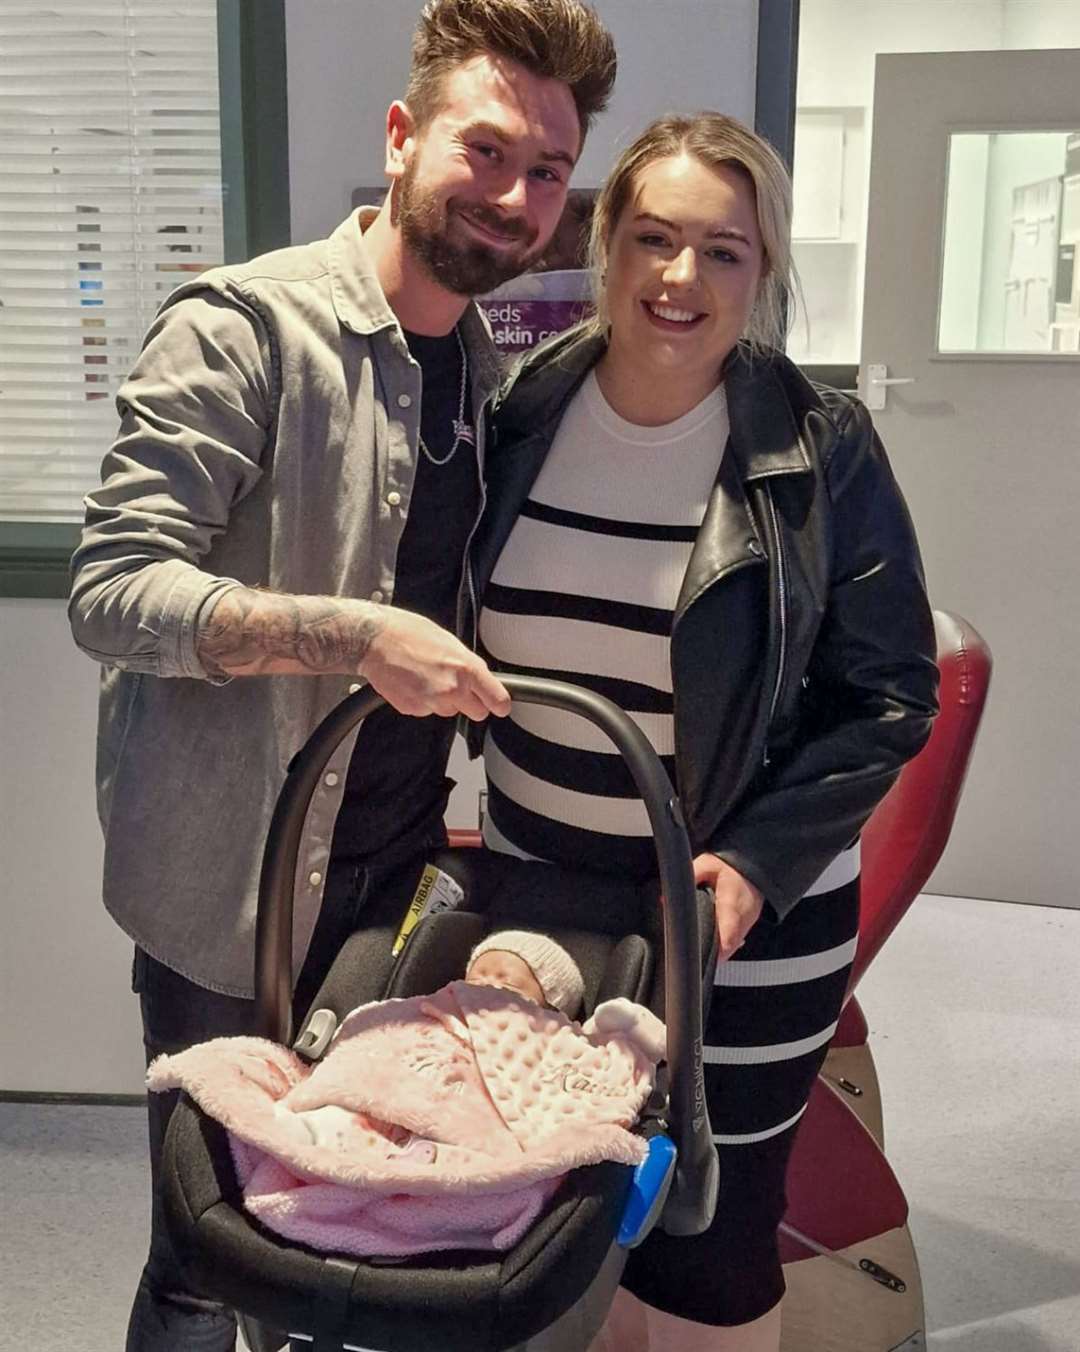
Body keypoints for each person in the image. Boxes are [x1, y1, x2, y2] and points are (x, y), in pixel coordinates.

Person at [66, 2, 616, 1347]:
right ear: (401, 135)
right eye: (486, 150)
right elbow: (112, 592)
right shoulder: (243, 330)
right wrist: (348, 635)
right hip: (224, 901)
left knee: (346, 1233)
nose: (516, 195)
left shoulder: (488, 372)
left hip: (387, 882)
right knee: (207, 1258)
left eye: (546, 171)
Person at [472, 112, 940, 1352]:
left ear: (764, 270)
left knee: (712, 1241)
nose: (680, 279)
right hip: (543, 892)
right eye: (653, 238)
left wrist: (756, 860)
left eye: (722, 252)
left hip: (738, 918)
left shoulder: (819, 445)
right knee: (578, 1220)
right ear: (607, 247)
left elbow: (891, 691)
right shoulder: (524, 405)